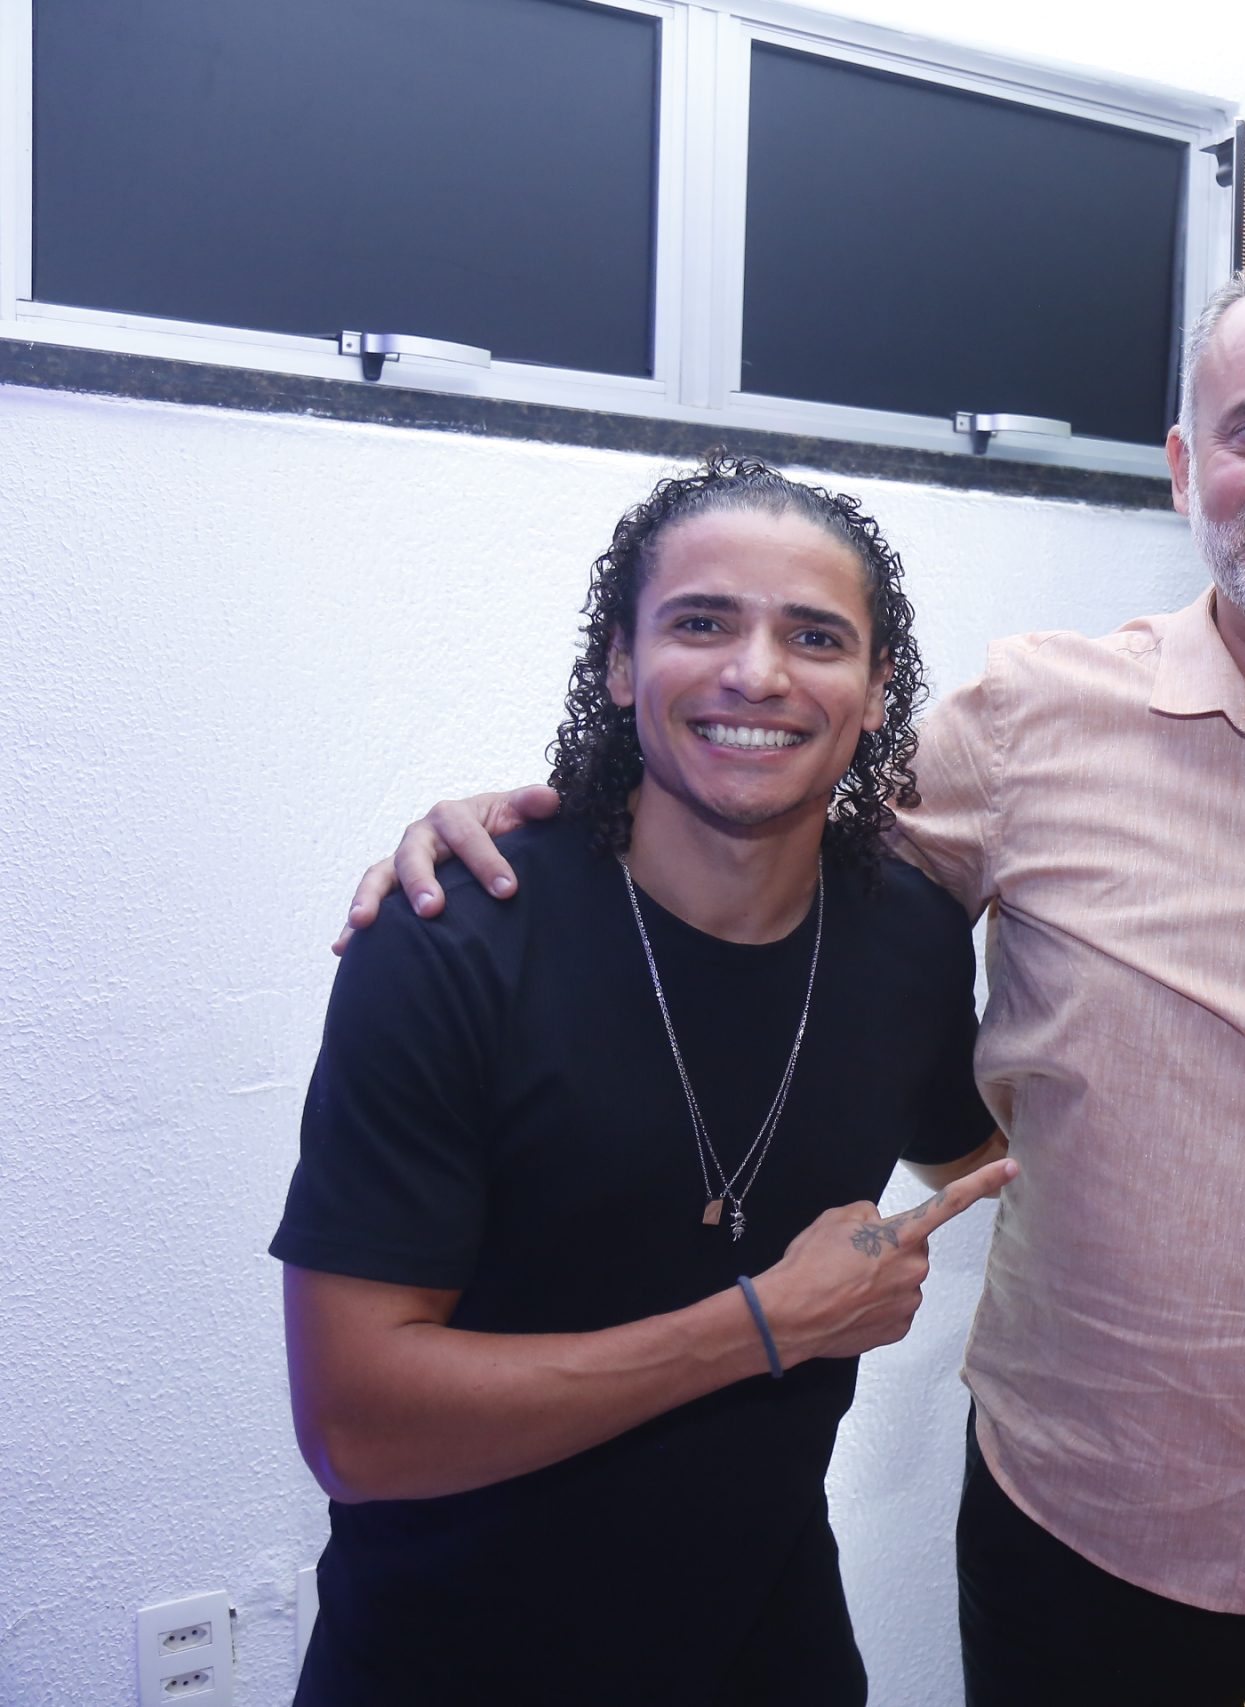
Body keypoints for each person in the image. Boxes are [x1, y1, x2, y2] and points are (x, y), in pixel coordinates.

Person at [336, 254, 1245, 1706]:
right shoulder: (1032, 717)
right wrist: (540, 822)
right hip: (1084, 1523)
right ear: (1184, 467)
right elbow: (764, 812)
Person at [274, 458, 1013, 1706]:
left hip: (770, 1647)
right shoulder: (454, 941)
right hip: (449, 1661)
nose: (758, 674)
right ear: (621, 662)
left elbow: (986, 1149)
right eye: (702, 622)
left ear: (878, 688)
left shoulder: (907, 938)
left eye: (815, 637)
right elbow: (358, 1429)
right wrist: (769, 1325)